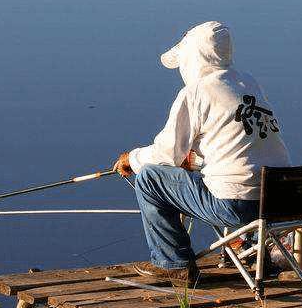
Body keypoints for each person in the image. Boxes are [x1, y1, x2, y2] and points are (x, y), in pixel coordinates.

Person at [113, 21, 290, 284]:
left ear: (193, 58)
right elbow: (237, 146)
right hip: (281, 202)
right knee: (213, 176)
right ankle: (254, 246)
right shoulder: (247, 83)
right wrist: (194, 159)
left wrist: (132, 158)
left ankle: (174, 263)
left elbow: (167, 154)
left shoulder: (196, 92)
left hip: (236, 205)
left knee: (149, 178)